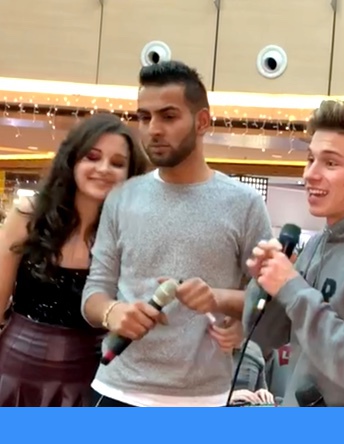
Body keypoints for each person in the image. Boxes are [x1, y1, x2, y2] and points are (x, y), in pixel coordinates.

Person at [81, 60, 271, 407]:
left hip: (205, 397)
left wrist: (228, 309)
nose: (153, 129)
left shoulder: (244, 204)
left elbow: (268, 298)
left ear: (202, 121)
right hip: (118, 389)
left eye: (168, 117)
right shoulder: (122, 198)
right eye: (144, 117)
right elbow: (94, 292)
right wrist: (112, 312)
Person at [243, 100, 344, 406]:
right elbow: (263, 338)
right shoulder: (316, 245)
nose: (310, 174)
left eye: (330, 163)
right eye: (310, 159)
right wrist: (264, 285)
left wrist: (292, 287)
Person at [0, 113, 148, 406]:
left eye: (117, 163)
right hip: (16, 366)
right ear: (72, 160)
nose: (103, 169)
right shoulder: (29, 215)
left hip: (91, 375)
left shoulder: (131, 232)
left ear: (130, 175)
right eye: (92, 157)